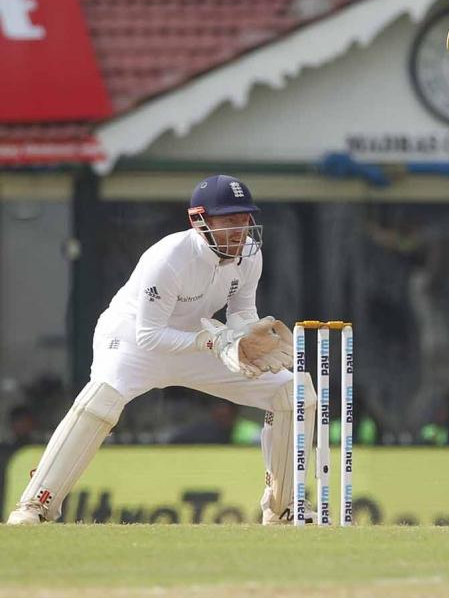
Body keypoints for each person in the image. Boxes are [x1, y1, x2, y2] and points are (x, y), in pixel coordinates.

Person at [7, 175, 309, 525]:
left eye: (244, 218)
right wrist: (212, 341)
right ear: (199, 221)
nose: (240, 229)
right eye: (229, 220)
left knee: (293, 392)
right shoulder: (169, 258)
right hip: (133, 340)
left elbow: (241, 313)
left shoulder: (248, 256)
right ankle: (36, 505)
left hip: (200, 340)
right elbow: (149, 336)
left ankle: (282, 509)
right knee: (101, 400)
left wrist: (244, 339)